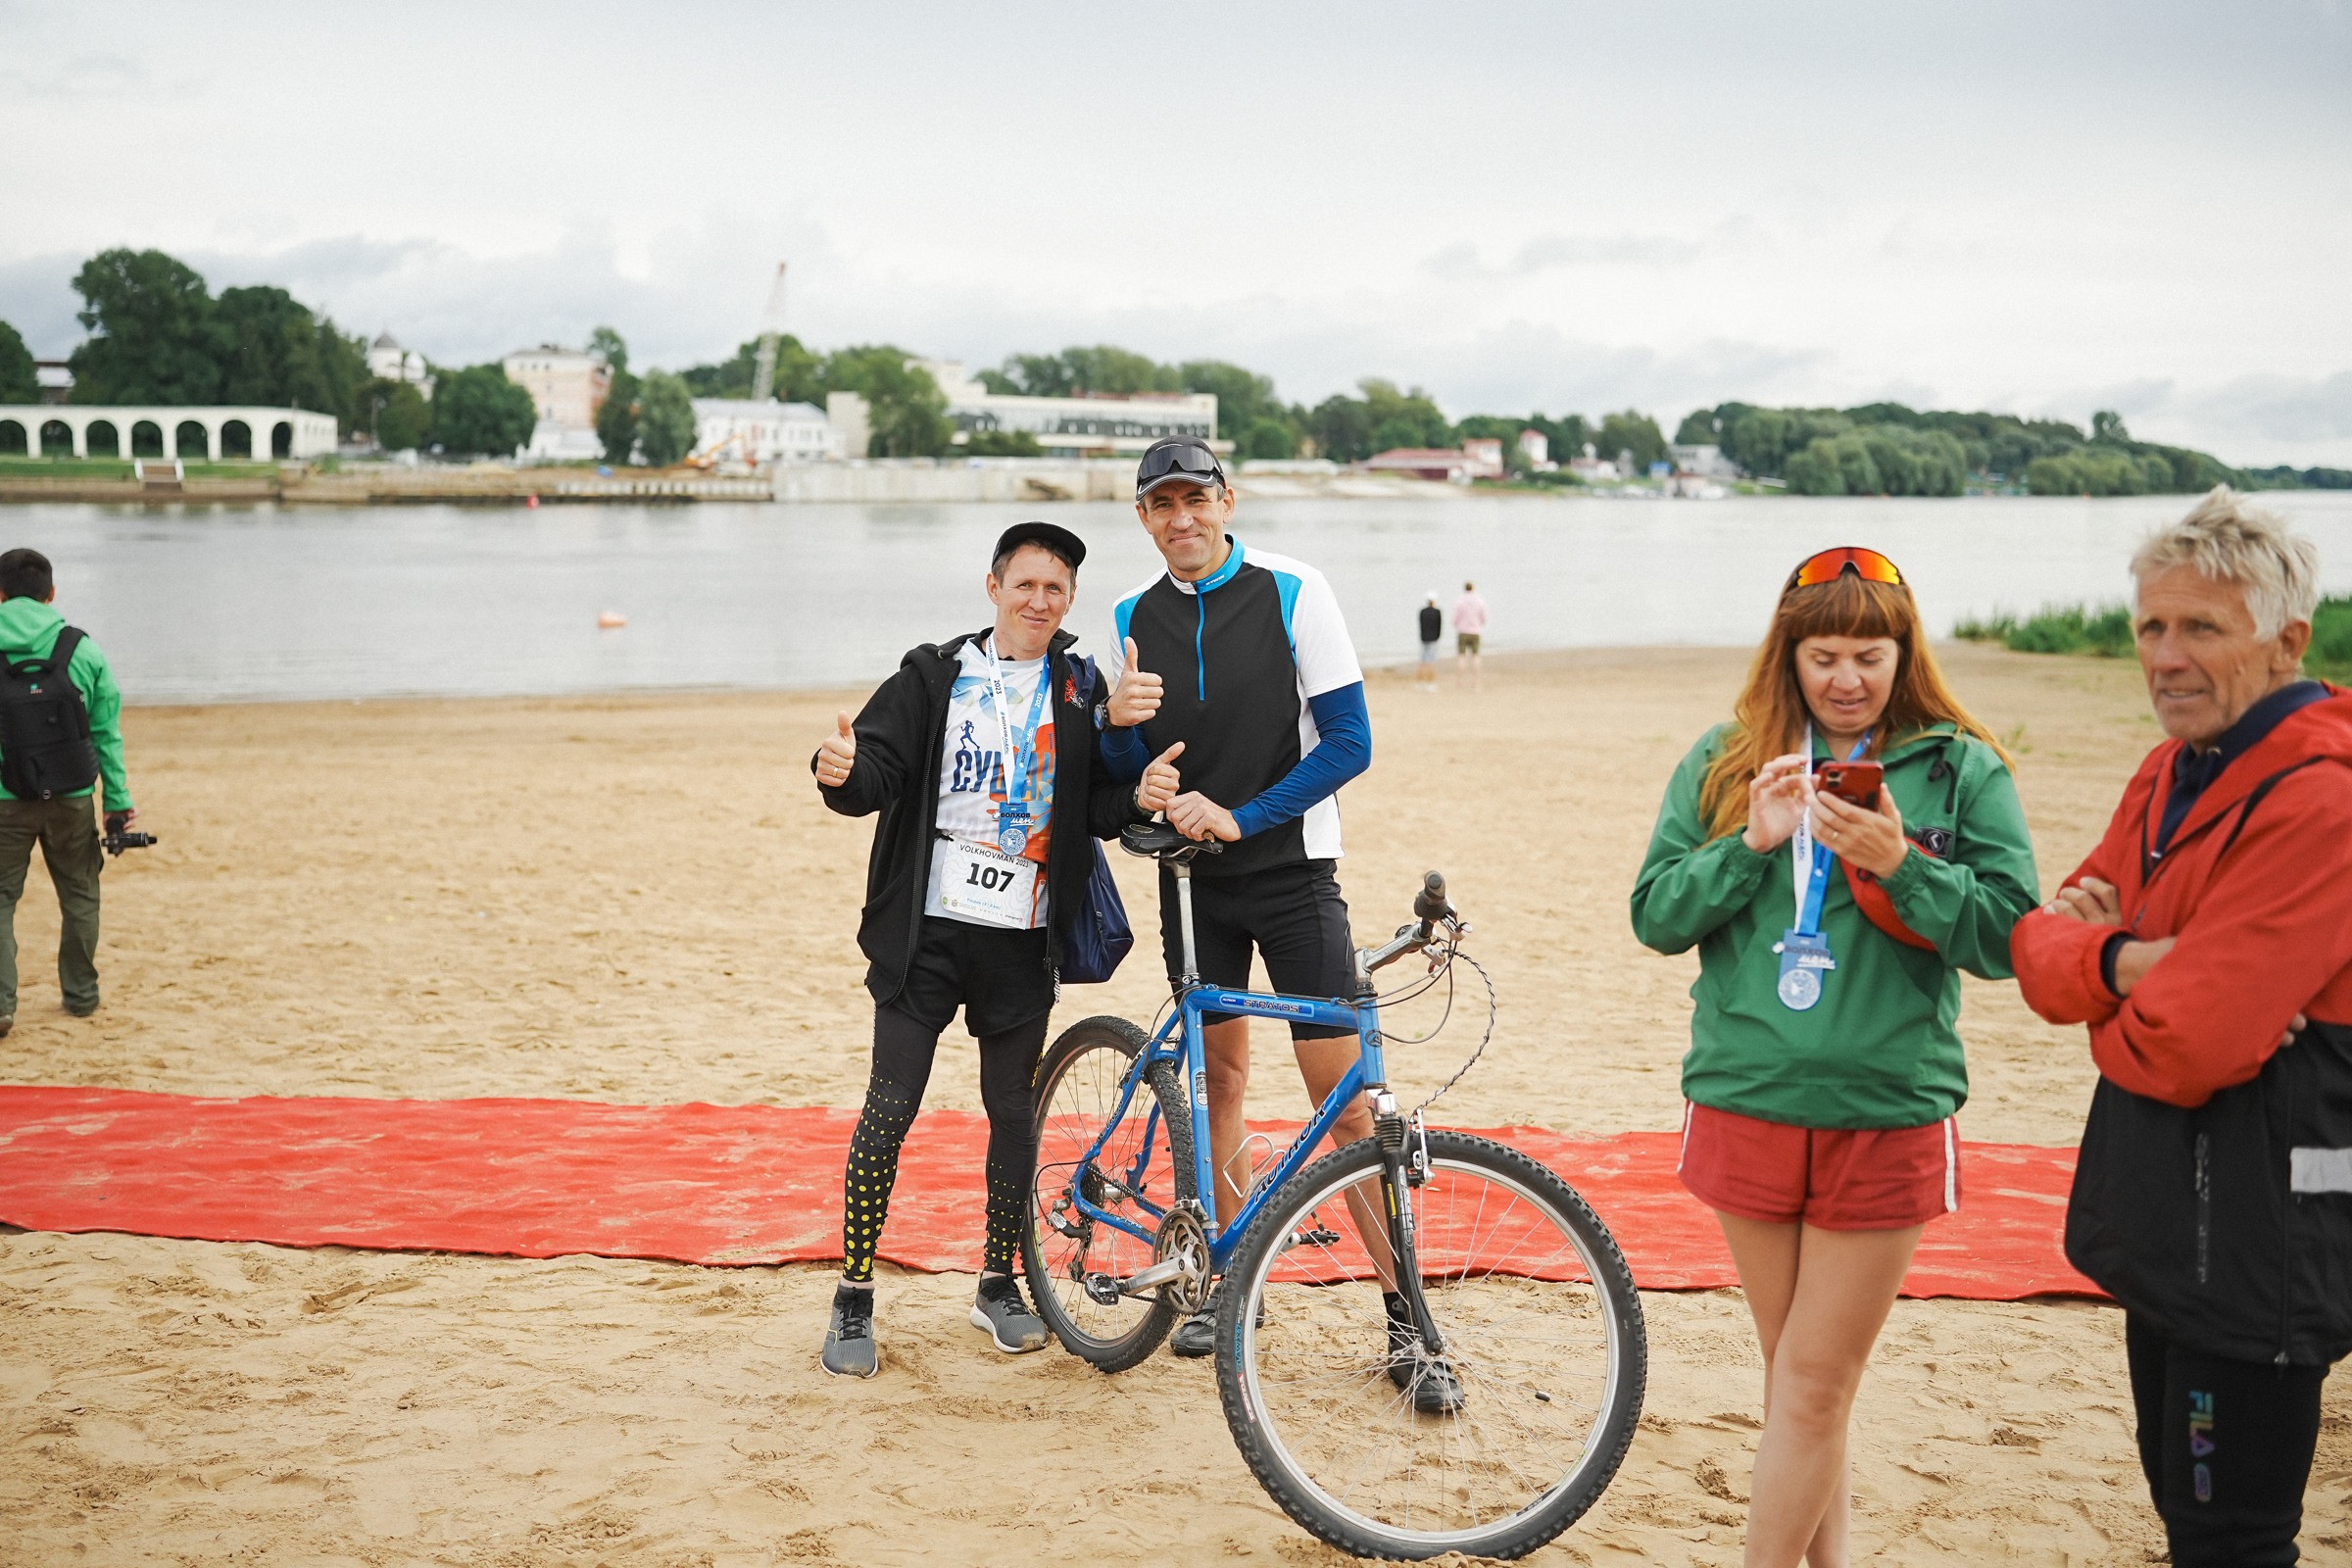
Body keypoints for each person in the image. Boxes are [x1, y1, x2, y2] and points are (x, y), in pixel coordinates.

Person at [1631, 545, 2038, 1567]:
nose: (1847, 679)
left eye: (1869, 654)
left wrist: (1902, 864)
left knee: (1812, 1385)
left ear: (1905, 656)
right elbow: (1654, 914)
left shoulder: (1959, 765)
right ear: (1789, 654)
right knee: (1801, 1384)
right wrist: (1752, 844)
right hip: (1746, 1093)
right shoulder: (1730, 759)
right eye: (1824, 656)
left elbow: (2010, 937)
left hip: (1886, 1105)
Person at [2011, 488, 2349, 1568]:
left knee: (2233, 1538)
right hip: (2169, 1209)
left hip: (2264, 1227)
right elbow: (2043, 955)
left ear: (2286, 639)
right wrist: (2123, 964)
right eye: (2150, 626)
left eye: (2202, 626)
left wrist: (2124, 985)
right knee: (2182, 1507)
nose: (2166, 655)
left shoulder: (2320, 800)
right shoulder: (2171, 767)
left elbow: (2193, 1042)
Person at [1097, 435, 1442, 1398]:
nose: (1181, 519)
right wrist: (1134, 760)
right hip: (1193, 883)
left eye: (1195, 499)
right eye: (1160, 504)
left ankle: (1407, 1318)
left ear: (1227, 498)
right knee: (1220, 1083)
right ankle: (1222, 1280)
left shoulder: (1296, 590)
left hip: (1293, 876)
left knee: (1348, 1105)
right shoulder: (1129, 614)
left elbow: (1350, 743)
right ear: (1142, 517)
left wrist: (1244, 814)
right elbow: (1128, 779)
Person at [809, 520, 1183, 1378]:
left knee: (1013, 1114)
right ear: (993, 587)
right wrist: (838, 771)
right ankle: (855, 1294)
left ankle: (998, 1283)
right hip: (927, 935)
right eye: (1025, 585)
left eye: (1056, 589)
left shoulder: (1078, 687)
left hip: (1022, 936)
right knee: (890, 1107)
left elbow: (1093, 809)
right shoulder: (934, 674)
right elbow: (877, 774)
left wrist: (1140, 799)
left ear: (1071, 600)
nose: (1039, 602)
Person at [0, 547, 135, 1033]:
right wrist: (117, 802)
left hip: (4, 800)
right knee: (80, 894)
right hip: (72, 794)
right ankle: (80, 996)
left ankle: (1, 1003)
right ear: (51, 594)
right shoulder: (83, 650)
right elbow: (106, 733)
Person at [1452, 579, 1488, 690]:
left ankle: (1460, 684)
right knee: (1475, 657)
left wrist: (1460, 625)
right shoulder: (1479, 600)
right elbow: (1484, 618)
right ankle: (1476, 683)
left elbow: (1454, 619)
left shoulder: (1460, 601)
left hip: (1463, 631)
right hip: (1475, 631)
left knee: (1461, 657)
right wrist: (1477, 625)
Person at [1415, 595, 1442, 688]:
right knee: (1431, 662)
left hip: (1424, 638)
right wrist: (1437, 637)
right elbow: (1439, 626)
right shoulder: (1437, 612)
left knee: (1422, 661)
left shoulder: (1422, 612)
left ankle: (1419, 682)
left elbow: (1421, 625)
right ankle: (1430, 683)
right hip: (1433, 639)